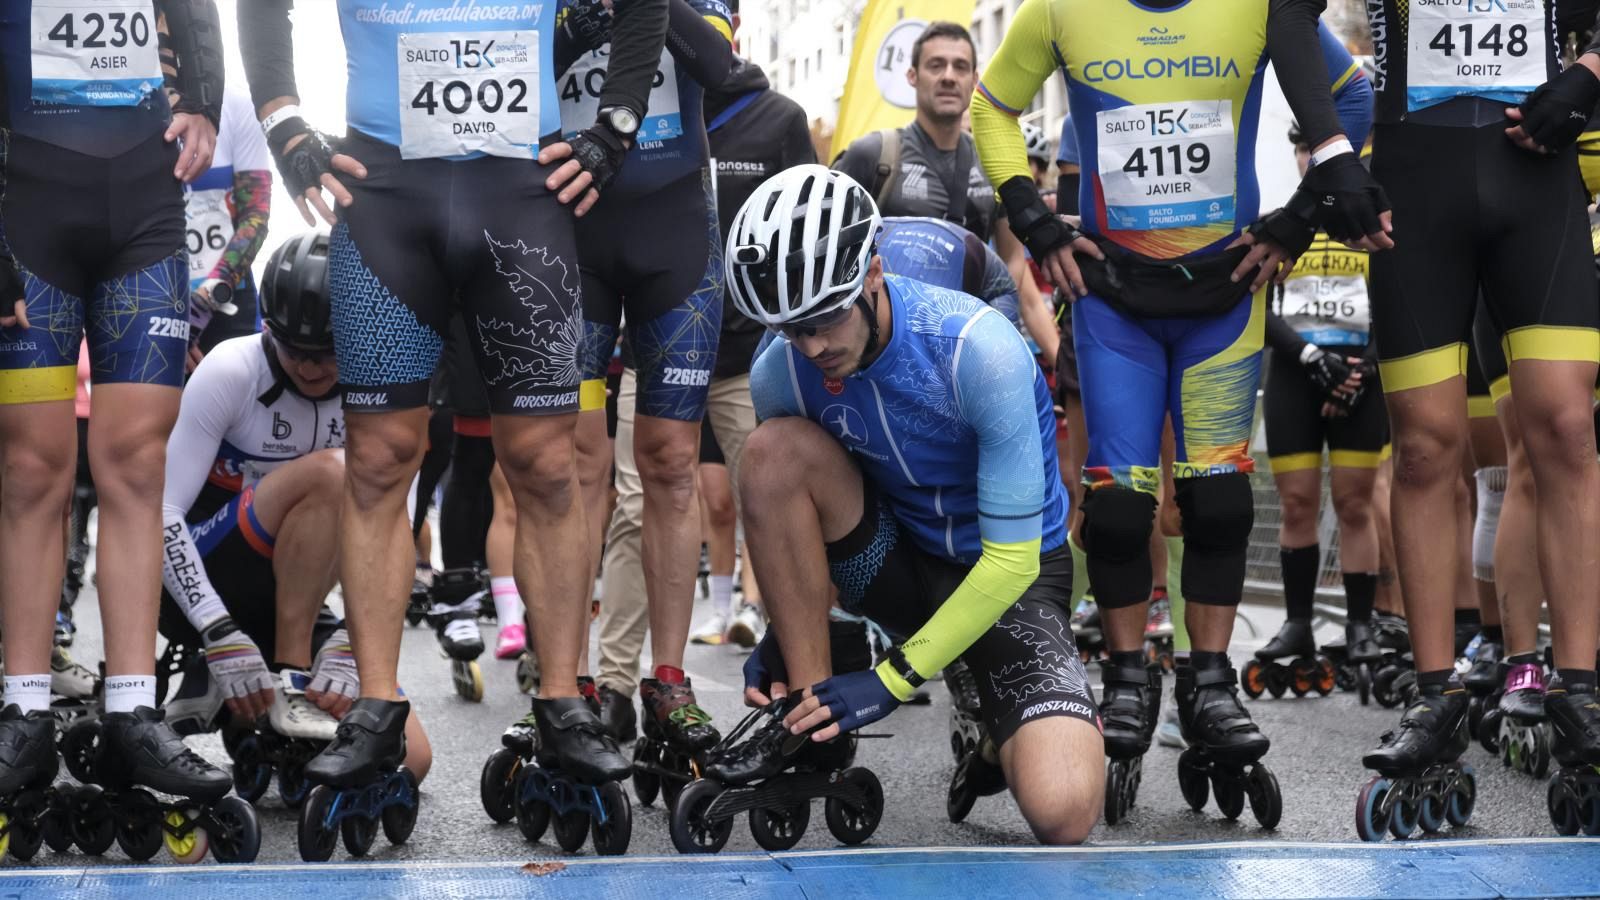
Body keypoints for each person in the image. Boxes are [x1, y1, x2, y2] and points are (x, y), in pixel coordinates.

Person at [238, 0, 669, 811]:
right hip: (385, 198)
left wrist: (616, 123)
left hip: (521, 192)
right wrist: (285, 123)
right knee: (377, 461)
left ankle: (561, 701)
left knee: (546, 464)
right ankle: (375, 703)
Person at [971, 0, 1381, 827]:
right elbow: (993, 107)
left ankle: (1210, 681)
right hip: (1113, 294)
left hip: (1225, 289)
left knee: (1219, 498)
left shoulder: (1262, 7)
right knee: (1119, 508)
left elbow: (1357, 98)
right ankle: (1127, 677)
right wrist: (1036, 221)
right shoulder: (1060, 9)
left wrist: (1299, 222)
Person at [721, 165, 1103, 845]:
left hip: (1009, 580)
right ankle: (812, 729)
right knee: (770, 452)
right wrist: (786, 633)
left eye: (826, 318)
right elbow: (789, 514)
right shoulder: (780, 370)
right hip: (898, 558)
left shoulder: (980, 349)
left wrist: (892, 678)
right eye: (790, 328)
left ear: (872, 273)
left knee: (1065, 811)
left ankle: (993, 722)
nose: (813, 347)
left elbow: (1013, 563)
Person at [1355, 0, 1600, 824]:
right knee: (1424, 448)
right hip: (1416, 187)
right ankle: (1435, 696)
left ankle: (1579, 690)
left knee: (1566, 429)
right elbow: (1288, 14)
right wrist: (1326, 156)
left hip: (1536, 177)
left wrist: (1589, 74)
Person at [0, 0, 236, 814]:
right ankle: (24, 710)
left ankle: (133, 708)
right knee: (32, 468)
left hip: (143, 200)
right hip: (23, 204)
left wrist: (205, 93)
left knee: (137, 462)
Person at [158, 233, 431, 779]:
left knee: (410, 763)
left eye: (327, 353)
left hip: (297, 593)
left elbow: (395, 529)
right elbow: (159, 513)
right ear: (267, 329)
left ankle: (271, 722)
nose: (309, 368)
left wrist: (355, 642)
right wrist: (215, 629)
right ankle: (289, 677)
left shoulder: (385, 391)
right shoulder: (231, 369)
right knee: (335, 473)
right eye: (293, 350)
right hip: (204, 586)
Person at [600, 49, 815, 740]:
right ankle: (613, 683)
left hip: (752, 354)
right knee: (636, 507)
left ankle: (802, 682)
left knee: (777, 507)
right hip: (650, 349)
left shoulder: (777, 116)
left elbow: (807, 228)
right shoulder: (634, 97)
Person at [565, 0, 734, 758]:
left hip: (674, 230)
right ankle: (566, 679)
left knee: (669, 461)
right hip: (572, 226)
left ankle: (667, 677)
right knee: (571, 462)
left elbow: (720, 64)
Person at [1255, 122, 1386, 693]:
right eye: (1303, 148)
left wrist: (1366, 366)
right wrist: (1308, 355)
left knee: (1355, 502)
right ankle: (1299, 623)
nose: (1312, 157)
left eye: (1320, 146)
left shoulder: (1372, 220)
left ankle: (1360, 625)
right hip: (1296, 374)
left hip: (1360, 375)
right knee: (1299, 503)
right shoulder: (1282, 222)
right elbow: (1257, 304)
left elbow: (1403, 295)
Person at [186, 87, 272, 358]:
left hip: (228, 300)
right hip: (155, 302)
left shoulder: (236, 105)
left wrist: (199, 307)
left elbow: (255, 217)